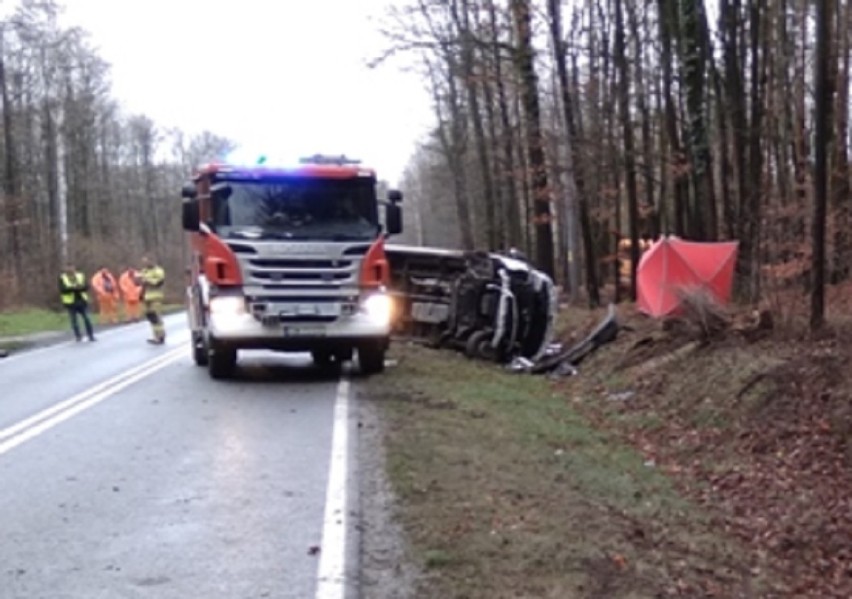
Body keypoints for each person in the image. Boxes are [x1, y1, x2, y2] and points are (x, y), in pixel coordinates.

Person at [59, 263, 96, 342]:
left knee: (87, 319)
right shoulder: (62, 278)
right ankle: (78, 336)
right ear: (65, 269)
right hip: (70, 303)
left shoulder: (80, 275)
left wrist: (79, 288)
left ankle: (91, 335)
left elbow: (86, 286)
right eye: (68, 268)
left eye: (71, 267)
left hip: (82, 300)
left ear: (74, 268)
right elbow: (63, 290)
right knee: (74, 321)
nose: (70, 269)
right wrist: (73, 288)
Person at [140, 255, 166, 344]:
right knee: (151, 317)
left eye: (147, 261)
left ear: (152, 261)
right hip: (147, 297)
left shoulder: (158, 271)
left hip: (156, 296)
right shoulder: (144, 271)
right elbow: (141, 283)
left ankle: (161, 336)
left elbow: (158, 282)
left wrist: (147, 280)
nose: (145, 264)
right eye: (144, 262)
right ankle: (155, 336)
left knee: (156, 316)